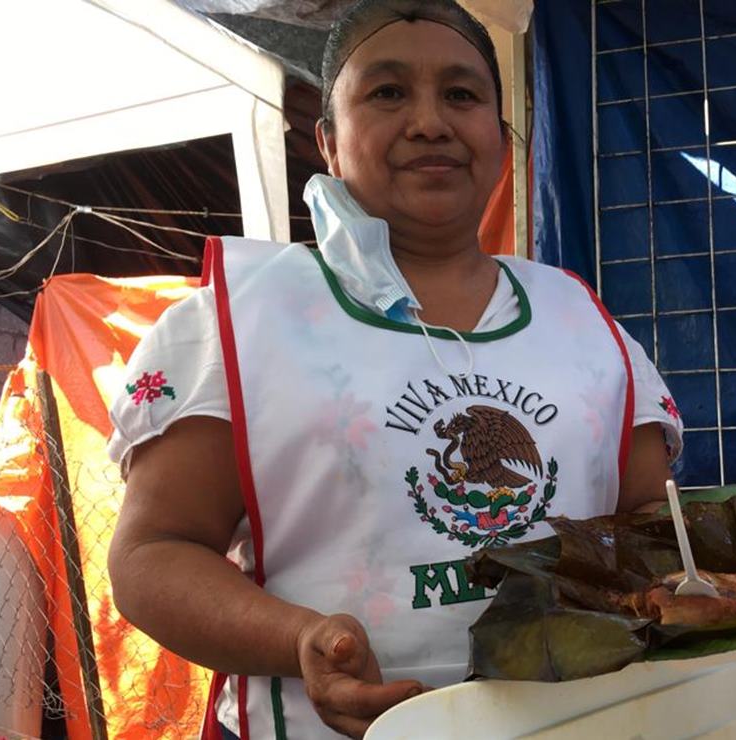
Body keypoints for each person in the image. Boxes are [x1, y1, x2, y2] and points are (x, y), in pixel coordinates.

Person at [106, 1, 684, 738]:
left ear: (501, 136)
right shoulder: (238, 322)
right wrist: (299, 640)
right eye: (386, 92)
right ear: (327, 139)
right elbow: (153, 552)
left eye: (462, 94)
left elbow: (650, 525)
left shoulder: (583, 321)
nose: (429, 122)